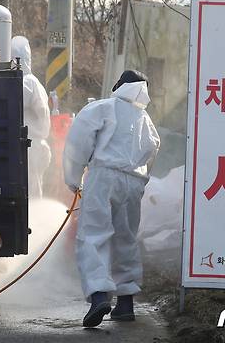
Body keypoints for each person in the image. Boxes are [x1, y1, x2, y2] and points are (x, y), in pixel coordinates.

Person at [63, 70, 160, 328]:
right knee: (125, 239)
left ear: (118, 86)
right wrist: (141, 179)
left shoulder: (102, 108)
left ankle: (98, 297)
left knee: (93, 235)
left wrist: (74, 178)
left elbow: (78, 142)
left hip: (103, 176)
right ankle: (125, 303)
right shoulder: (145, 118)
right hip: (133, 181)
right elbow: (153, 149)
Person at [11, 36, 52, 200]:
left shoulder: (26, 82)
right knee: (32, 189)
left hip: (31, 145)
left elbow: (12, 100)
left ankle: (34, 224)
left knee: (31, 193)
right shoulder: (32, 81)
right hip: (33, 144)